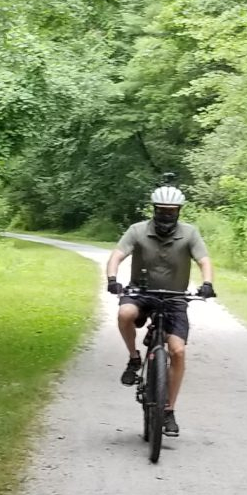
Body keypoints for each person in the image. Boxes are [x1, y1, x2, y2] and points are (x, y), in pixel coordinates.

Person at [104, 179, 216, 437]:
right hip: (141, 293)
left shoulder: (189, 233)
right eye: (161, 210)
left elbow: (204, 260)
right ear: (154, 210)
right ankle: (134, 358)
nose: (166, 215)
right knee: (125, 313)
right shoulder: (137, 230)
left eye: (171, 211)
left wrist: (207, 283)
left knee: (177, 351)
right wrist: (112, 279)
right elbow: (118, 255)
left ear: (178, 212)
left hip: (175, 298)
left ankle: (168, 410)